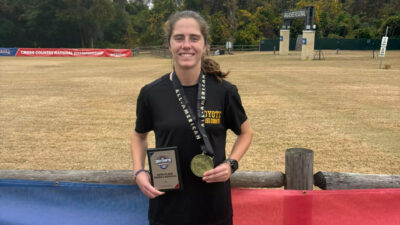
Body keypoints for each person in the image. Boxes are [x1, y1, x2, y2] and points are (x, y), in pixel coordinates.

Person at [131, 10, 253, 225]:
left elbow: (246, 133)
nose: (186, 45)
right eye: (179, 38)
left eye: (194, 38)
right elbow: (139, 136)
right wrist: (139, 171)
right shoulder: (151, 93)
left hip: (213, 206)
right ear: (169, 44)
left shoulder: (225, 91)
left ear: (205, 45)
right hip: (168, 206)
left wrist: (231, 164)